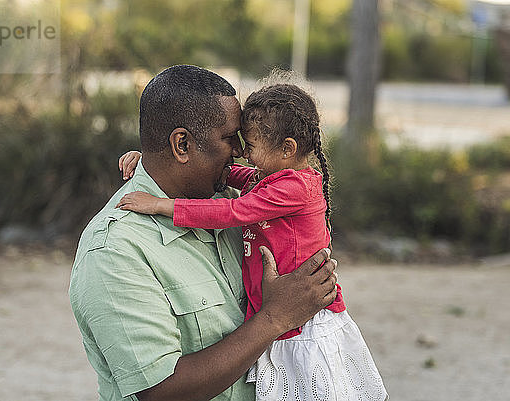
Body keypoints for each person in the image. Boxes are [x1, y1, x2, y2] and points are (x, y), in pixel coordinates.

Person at [69, 65, 338, 401]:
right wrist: (275, 318)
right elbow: (161, 392)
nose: (240, 151)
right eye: (230, 138)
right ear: (182, 145)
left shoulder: (227, 201)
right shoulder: (115, 249)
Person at [116, 83, 388, 400]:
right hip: (284, 318)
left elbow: (235, 210)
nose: (244, 153)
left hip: (303, 326)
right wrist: (152, 160)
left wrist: (160, 204)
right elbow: (230, 173)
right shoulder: (268, 179)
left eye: (252, 145)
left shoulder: (294, 188)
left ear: (286, 149)